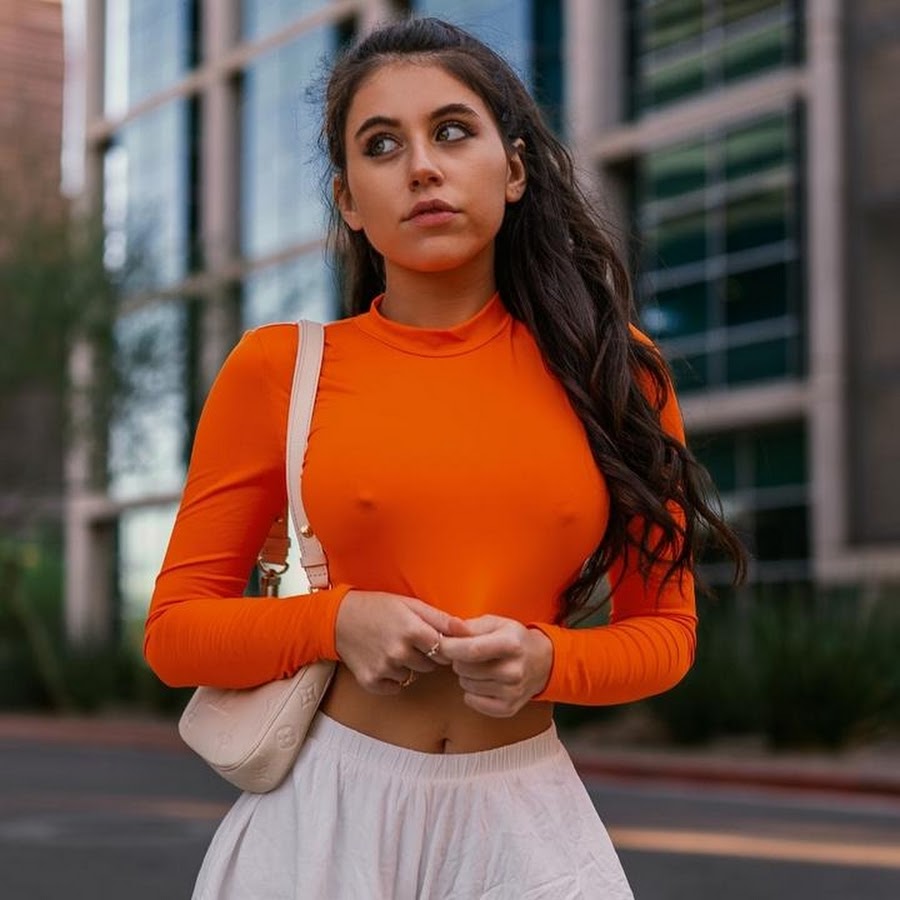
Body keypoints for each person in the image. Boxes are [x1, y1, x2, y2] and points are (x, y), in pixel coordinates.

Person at [144, 17, 745, 899]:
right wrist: (334, 621)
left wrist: (550, 661)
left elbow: (667, 633)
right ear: (349, 200)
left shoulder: (620, 373)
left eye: (451, 131)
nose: (422, 166)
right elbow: (175, 633)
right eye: (380, 145)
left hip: (527, 827)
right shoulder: (279, 369)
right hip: (321, 826)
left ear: (513, 167)